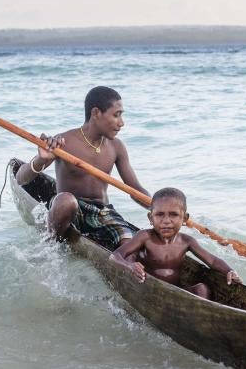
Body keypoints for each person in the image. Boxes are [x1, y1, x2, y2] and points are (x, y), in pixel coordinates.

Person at [16, 85, 149, 248]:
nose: (122, 123)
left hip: (103, 213)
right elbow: (21, 178)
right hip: (70, 211)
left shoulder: (117, 146)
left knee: (132, 245)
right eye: (116, 115)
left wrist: (158, 207)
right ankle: (50, 247)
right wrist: (40, 159)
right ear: (96, 113)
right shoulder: (63, 142)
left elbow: (134, 189)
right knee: (66, 201)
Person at [109, 187, 241, 299]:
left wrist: (229, 270)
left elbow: (212, 261)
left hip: (174, 293)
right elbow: (115, 256)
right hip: (148, 289)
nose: (166, 221)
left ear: (185, 218)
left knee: (202, 289)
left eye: (173, 215)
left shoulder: (187, 241)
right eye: (160, 214)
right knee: (131, 258)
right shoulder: (145, 237)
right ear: (151, 218)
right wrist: (129, 266)